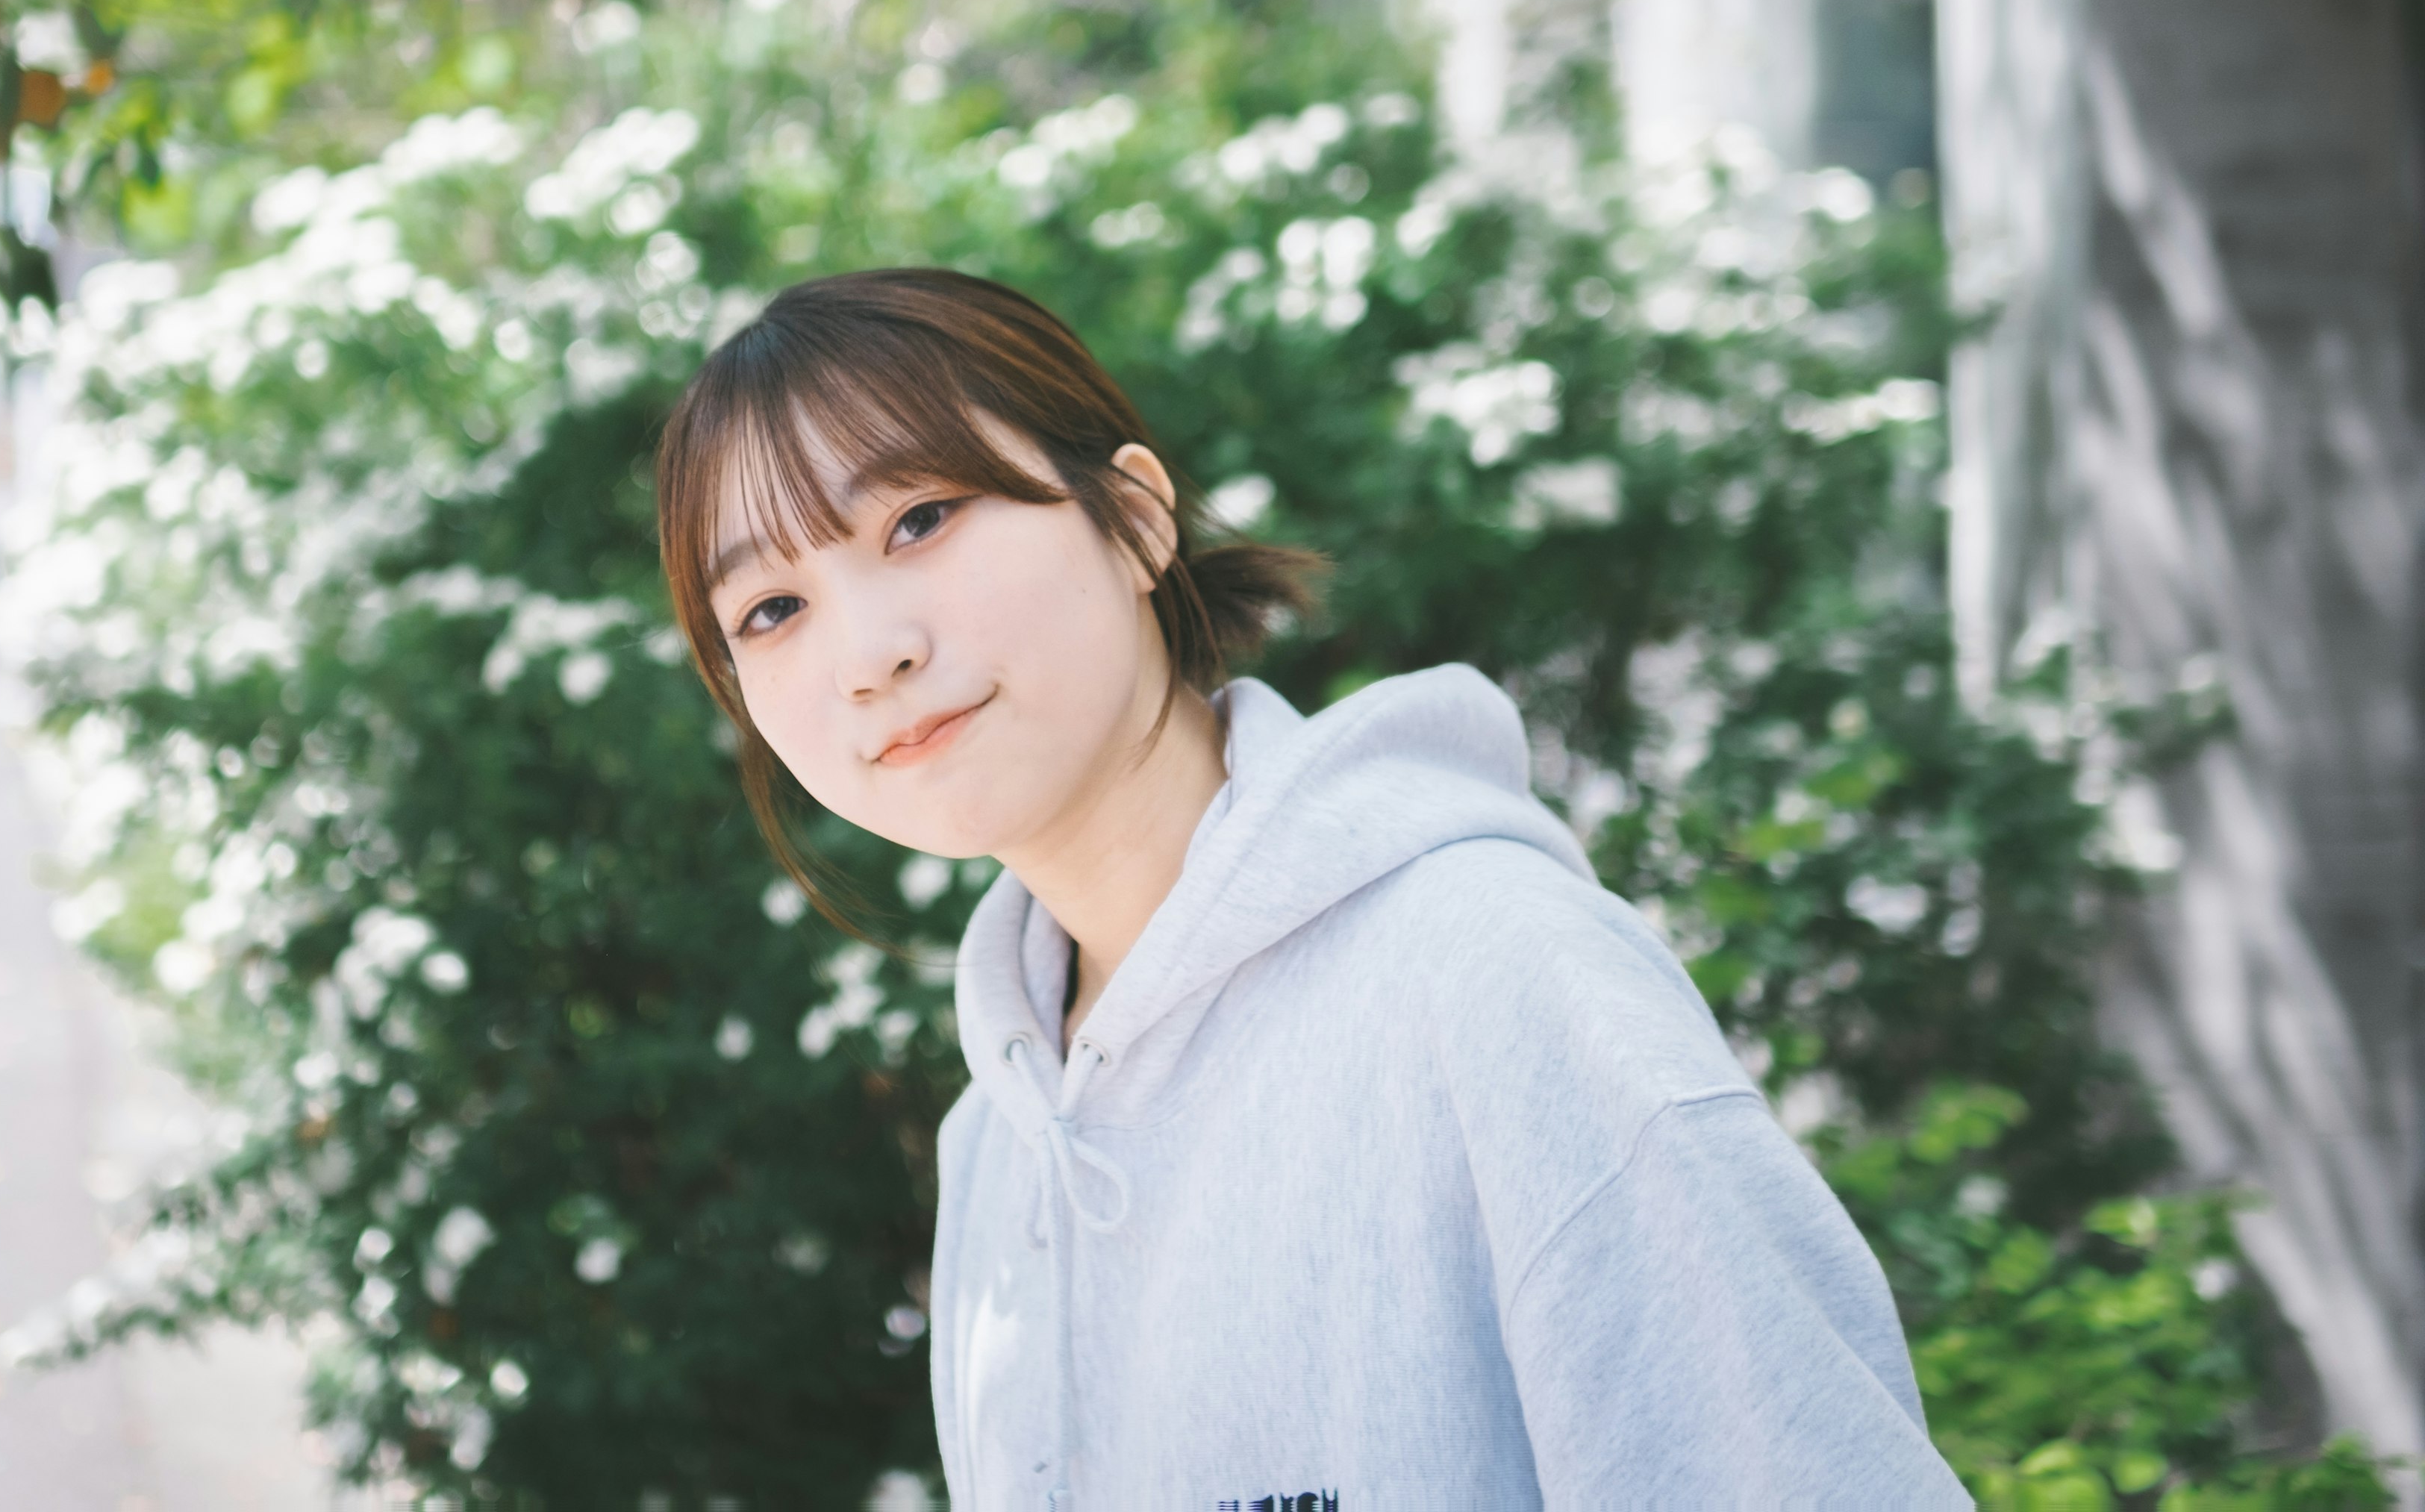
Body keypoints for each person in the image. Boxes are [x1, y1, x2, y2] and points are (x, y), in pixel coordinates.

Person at [654, 268, 1969, 1508]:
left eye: (921, 520)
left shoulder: (1491, 975)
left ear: (1134, 519)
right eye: (770, 611)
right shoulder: (998, 1146)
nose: (870, 655)